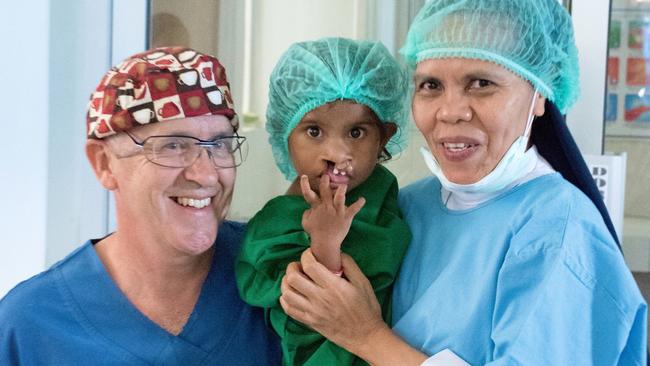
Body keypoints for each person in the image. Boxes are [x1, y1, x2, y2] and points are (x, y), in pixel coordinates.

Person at [279, 1, 648, 365]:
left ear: (539, 95)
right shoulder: (406, 207)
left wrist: (367, 337)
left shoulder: (558, 228)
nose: (451, 111)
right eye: (430, 85)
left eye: (481, 83)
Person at [0, 47, 280, 365]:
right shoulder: (30, 326)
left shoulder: (279, 273)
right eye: (174, 145)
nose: (206, 174)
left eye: (219, 144)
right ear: (104, 163)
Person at [235, 37, 411, 365]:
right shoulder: (275, 225)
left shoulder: (384, 192)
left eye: (356, 133)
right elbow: (307, 313)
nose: (336, 155)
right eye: (314, 132)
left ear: (384, 136)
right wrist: (325, 245)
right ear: (284, 133)